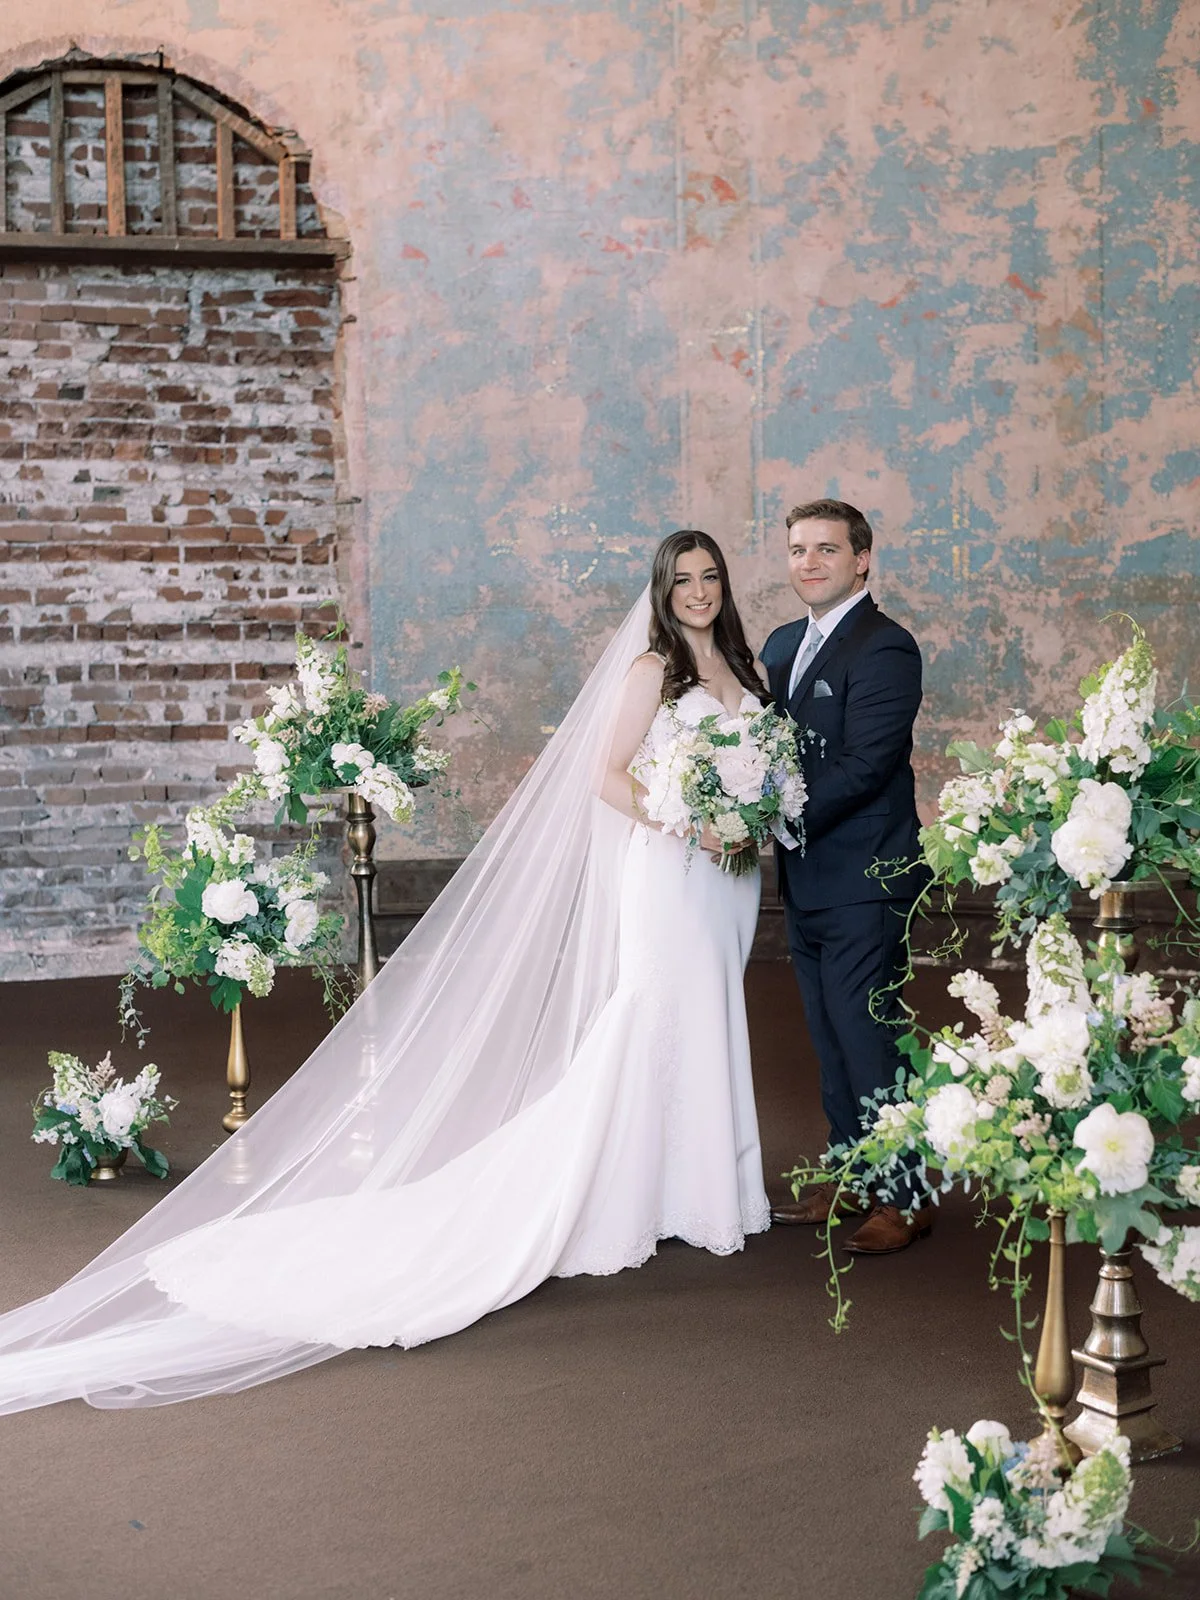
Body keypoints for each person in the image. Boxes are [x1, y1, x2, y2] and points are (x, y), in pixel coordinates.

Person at [0, 532, 770, 1413]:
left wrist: (744, 816)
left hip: (725, 883)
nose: (699, 591)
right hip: (673, 874)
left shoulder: (744, 673)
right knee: (652, 1012)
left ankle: (700, 1182)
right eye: (684, 580)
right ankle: (622, 1187)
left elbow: (752, 772)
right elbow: (607, 776)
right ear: (662, 591)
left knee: (711, 1014)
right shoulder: (650, 672)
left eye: (711, 578)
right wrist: (692, 823)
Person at [759, 500, 932, 1254]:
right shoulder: (780, 643)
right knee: (829, 1036)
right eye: (798, 549)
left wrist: (777, 819)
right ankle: (853, 1173)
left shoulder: (886, 647)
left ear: (862, 559)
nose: (810, 562)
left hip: (868, 872)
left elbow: (866, 766)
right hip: (806, 877)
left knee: (868, 1035)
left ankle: (909, 1193)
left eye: (827, 549)